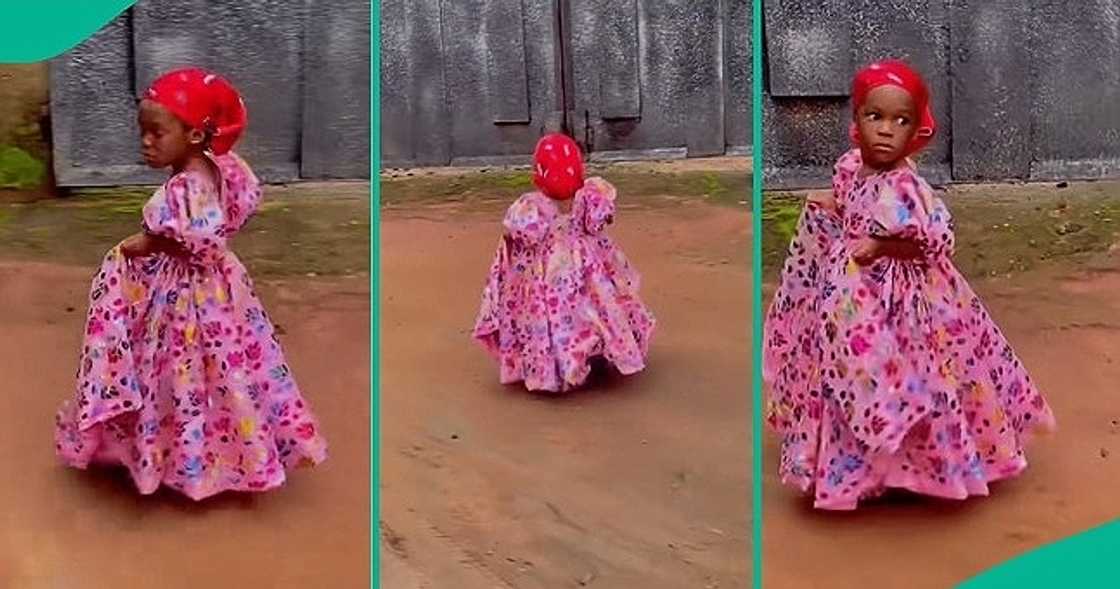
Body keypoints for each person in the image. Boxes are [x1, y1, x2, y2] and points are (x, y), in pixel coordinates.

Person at [763, 60, 1055, 510]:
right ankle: (861, 469)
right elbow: (849, 205)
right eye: (874, 116)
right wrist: (833, 209)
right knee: (852, 375)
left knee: (920, 378)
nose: (885, 130)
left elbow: (936, 242)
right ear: (856, 120)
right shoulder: (851, 168)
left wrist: (883, 246)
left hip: (912, 304)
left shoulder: (905, 189)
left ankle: (921, 464)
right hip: (853, 304)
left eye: (901, 121)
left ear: (917, 129)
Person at [54, 68, 327, 500]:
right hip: (222, 287)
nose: (146, 141)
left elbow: (181, 239)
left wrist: (136, 246)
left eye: (156, 132)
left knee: (176, 368)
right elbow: (220, 226)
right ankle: (225, 453)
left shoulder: (184, 190)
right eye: (142, 131)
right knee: (227, 368)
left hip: (185, 296)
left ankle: (180, 461)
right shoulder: (222, 170)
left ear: (196, 135)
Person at [473, 133, 655, 393]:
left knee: (553, 320)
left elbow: (521, 234)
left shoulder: (531, 207)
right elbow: (599, 223)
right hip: (586, 270)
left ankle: (558, 371)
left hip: (548, 277)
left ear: (538, 173)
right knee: (595, 310)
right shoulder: (588, 198)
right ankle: (597, 353)